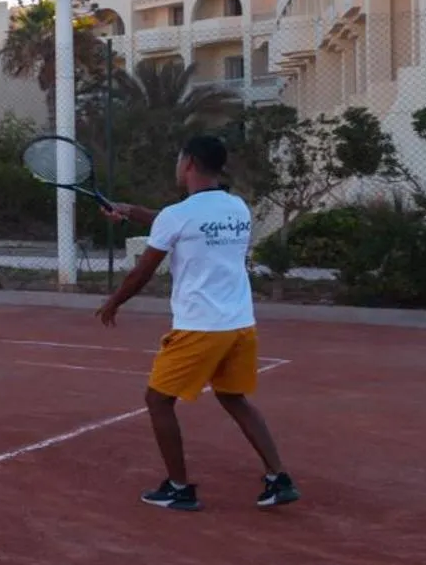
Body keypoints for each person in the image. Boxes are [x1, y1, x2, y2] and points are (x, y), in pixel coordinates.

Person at [97, 136, 297, 511]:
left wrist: (114, 302)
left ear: (188, 163)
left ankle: (179, 488)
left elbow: (144, 269)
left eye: (178, 159)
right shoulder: (236, 207)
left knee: (157, 401)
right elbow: (182, 223)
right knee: (233, 397)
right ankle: (278, 477)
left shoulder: (179, 215)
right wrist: (131, 210)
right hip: (240, 325)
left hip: (200, 327)